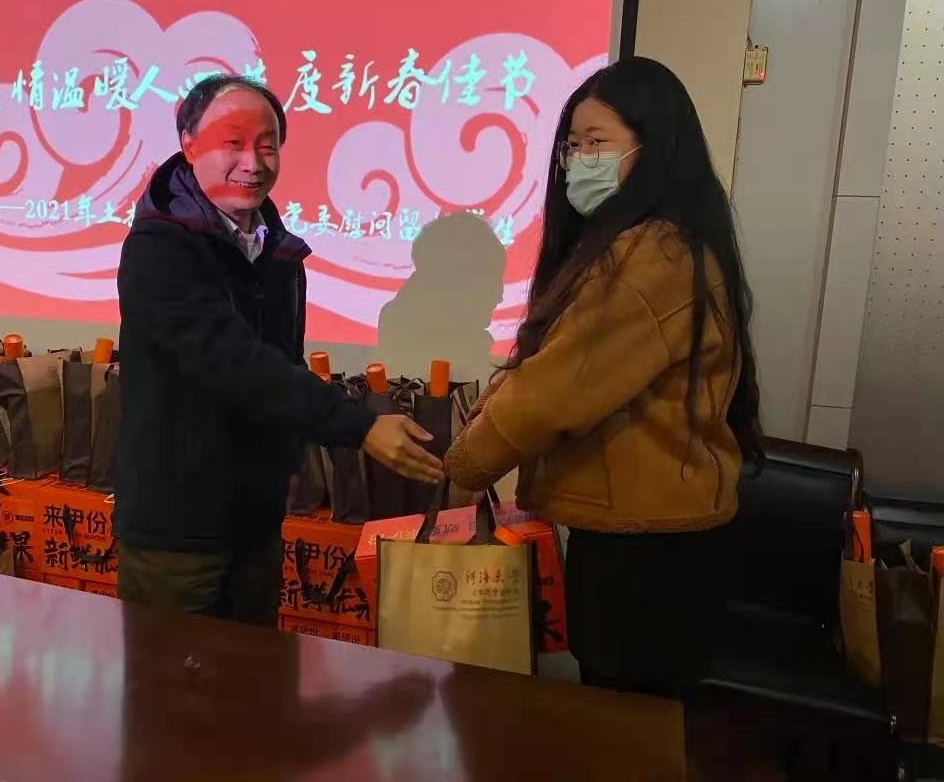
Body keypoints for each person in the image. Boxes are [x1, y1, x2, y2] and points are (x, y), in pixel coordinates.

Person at [444, 57, 762, 698]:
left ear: (655, 148)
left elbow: (554, 391)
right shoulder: (663, 244)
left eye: (597, 143)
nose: (578, 161)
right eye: (572, 145)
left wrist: (463, 464)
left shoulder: (651, 255)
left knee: (626, 724)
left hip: (646, 554)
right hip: (648, 536)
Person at [116, 75, 443, 624]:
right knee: (169, 677)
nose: (253, 162)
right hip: (178, 531)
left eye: (268, 146)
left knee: (255, 674)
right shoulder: (159, 248)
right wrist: (359, 425)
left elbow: (279, 366)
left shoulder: (273, 246)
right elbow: (233, 362)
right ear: (189, 144)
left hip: (257, 522)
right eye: (233, 143)